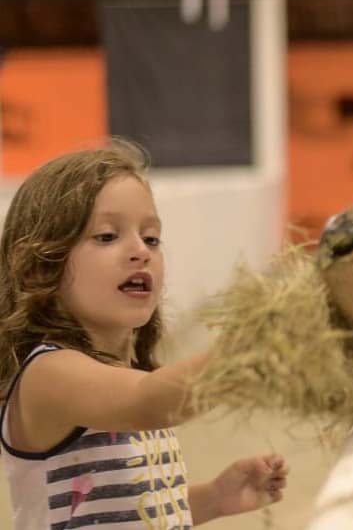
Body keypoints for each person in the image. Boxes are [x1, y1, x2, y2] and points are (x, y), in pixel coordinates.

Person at [0, 139, 288, 529]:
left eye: (151, 238)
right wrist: (247, 347)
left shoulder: (132, 377)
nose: (141, 251)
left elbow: (127, 509)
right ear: (37, 264)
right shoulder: (49, 373)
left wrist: (214, 497)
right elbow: (147, 402)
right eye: (106, 236)